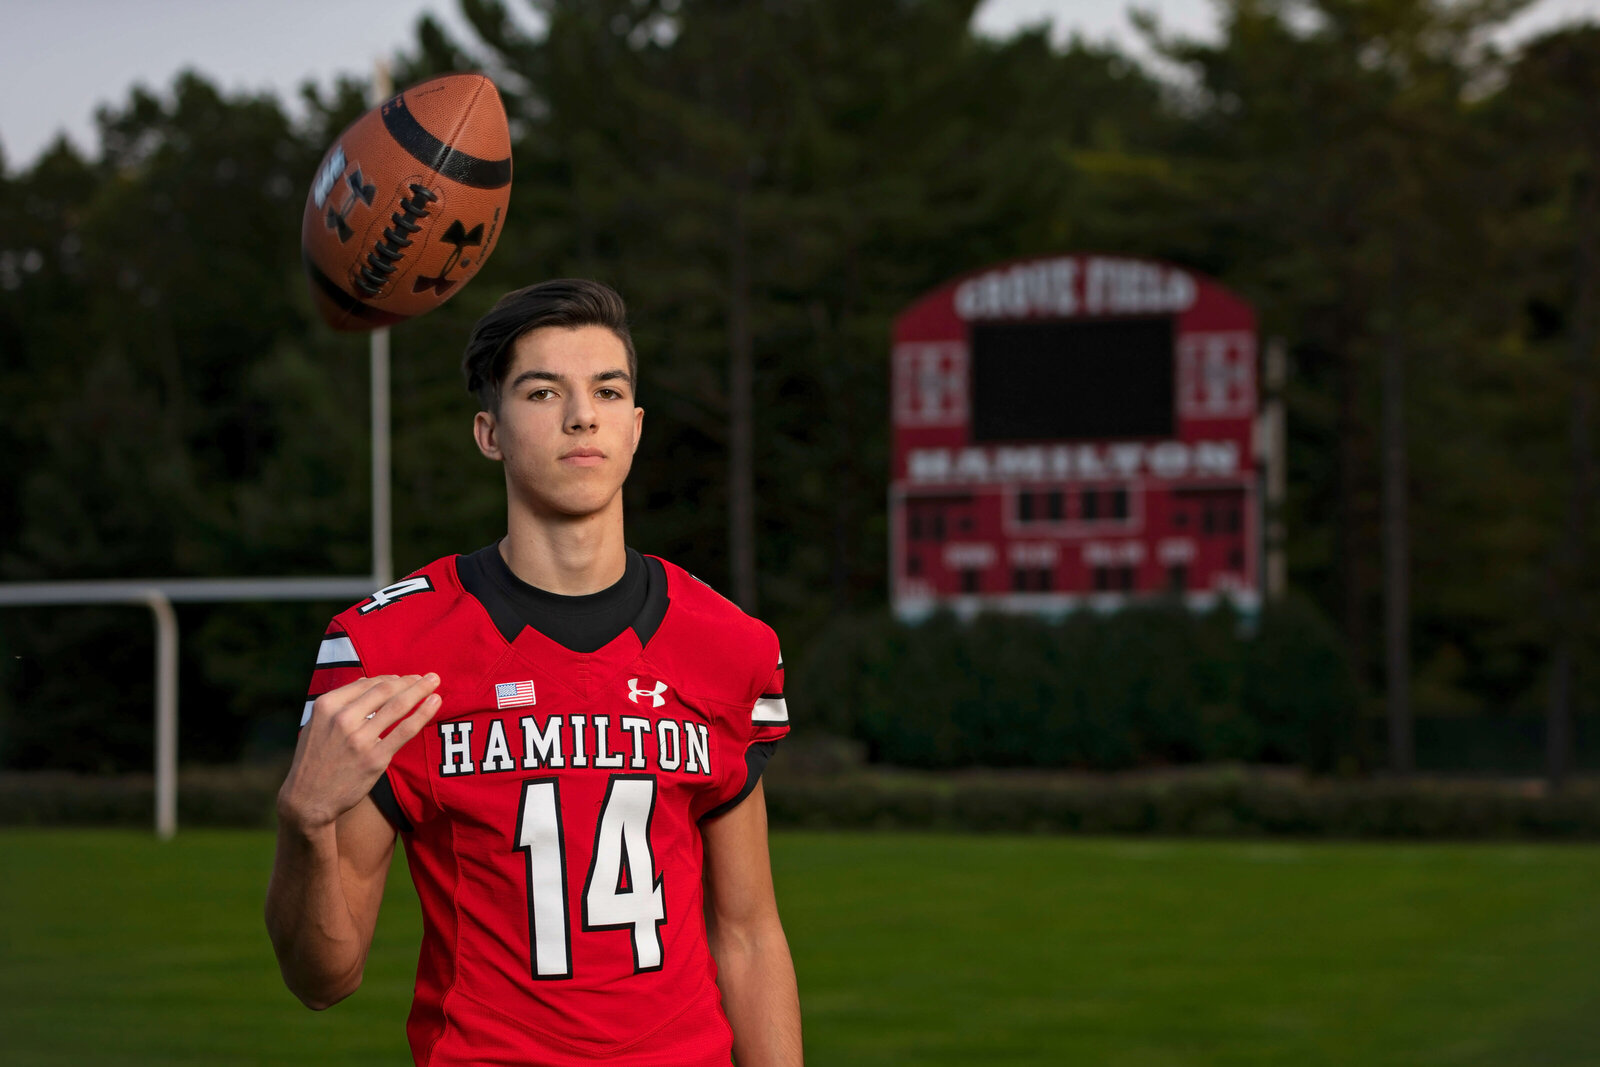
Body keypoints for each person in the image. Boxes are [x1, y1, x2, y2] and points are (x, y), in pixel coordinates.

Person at [265, 279, 803, 1066]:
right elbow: (325, 977)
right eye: (544, 390)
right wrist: (302, 820)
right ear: (490, 432)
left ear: (635, 426)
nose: (582, 414)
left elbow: (749, 935)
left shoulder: (728, 643)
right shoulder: (397, 648)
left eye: (607, 390)